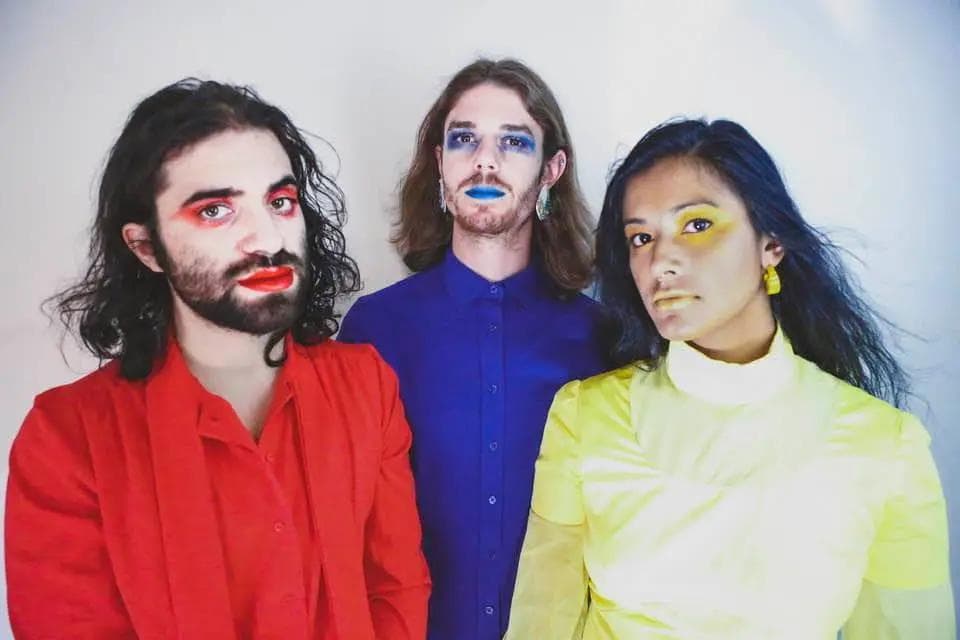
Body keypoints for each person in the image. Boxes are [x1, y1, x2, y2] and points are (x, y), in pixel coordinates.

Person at [5, 79, 430, 639]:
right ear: (146, 247)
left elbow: (394, 588)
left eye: (280, 202)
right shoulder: (66, 439)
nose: (268, 238)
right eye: (215, 211)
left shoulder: (366, 385)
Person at [506, 118, 954, 639]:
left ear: (772, 244)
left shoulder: (887, 448)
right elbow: (541, 620)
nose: (660, 261)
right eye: (640, 237)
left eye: (697, 225)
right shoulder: (584, 415)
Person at [338, 58, 605, 639]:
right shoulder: (373, 330)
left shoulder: (603, 340)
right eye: (464, 139)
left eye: (514, 141)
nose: (485, 159)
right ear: (440, 161)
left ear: (552, 168)